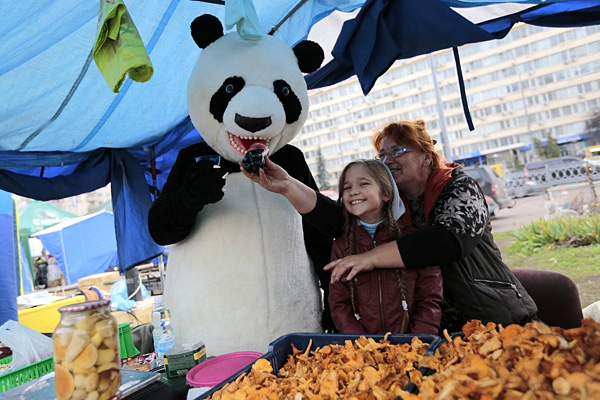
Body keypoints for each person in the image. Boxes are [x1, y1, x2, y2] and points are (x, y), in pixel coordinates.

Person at [240, 119, 538, 334]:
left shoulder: (460, 187)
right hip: (438, 336)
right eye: (382, 155)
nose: (387, 159)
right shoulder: (392, 207)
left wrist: (369, 258)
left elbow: (447, 241)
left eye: (398, 151)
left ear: (425, 155)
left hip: (499, 324)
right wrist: (288, 185)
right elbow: (335, 218)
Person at [329, 159, 442, 334]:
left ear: (386, 194)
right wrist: (362, 344)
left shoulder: (413, 239)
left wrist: (416, 342)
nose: (353, 192)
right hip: (364, 353)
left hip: (412, 349)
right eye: (347, 187)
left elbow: (430, 298)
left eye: (363, 183)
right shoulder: (340, 246)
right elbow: (339, 304)